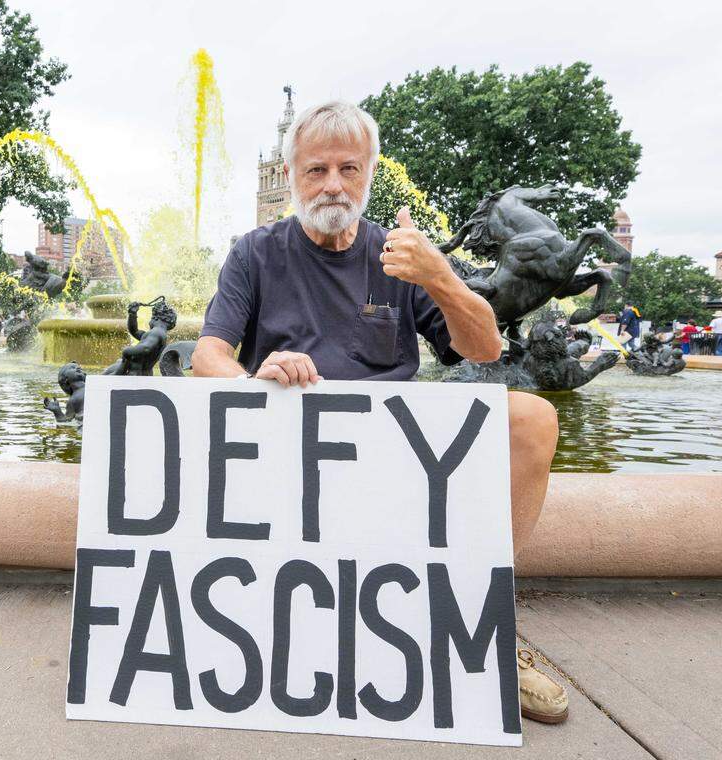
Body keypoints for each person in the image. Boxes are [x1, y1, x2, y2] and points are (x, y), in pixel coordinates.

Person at [194, 100, 566, 724]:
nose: (333, 184)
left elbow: (484, 349)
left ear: (370, 174)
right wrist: (254, 376)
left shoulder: (402, 256)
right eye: (316, 170)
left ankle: (488, 624)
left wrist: (442, 278)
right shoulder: (254, 253)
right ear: (290, 178)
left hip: (392, 451)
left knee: (532, 418)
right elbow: (207, 355)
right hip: (293, 454)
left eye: (348, 167)